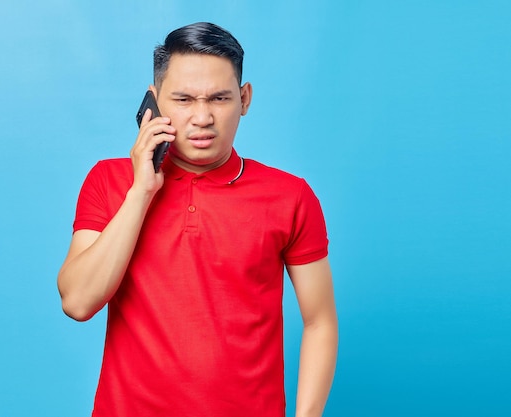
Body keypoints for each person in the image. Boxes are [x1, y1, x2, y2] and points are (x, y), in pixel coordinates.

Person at [57, 22, 338, 417]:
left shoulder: (291, 196)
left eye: (220, 98)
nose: (202, 117)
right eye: (184, 99)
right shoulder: (109, 180)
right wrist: (141, 191)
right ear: (153, 101)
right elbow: (78, 301)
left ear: (245, 99)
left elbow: (320, 321)